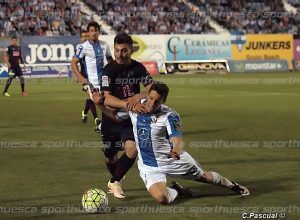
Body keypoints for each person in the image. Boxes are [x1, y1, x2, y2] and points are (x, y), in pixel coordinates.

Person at [93, 83, 250, 204]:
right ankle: (177, 191)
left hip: (173, 160)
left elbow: (177, 139)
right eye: (151, 98)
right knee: (162, 199)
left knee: (204, 177)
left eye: (157, 101)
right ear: (147, 95)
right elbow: (115, 115)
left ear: (164, 101)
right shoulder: (136, 106)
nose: (152, 103)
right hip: (150, 166)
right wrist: (99, 104)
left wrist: (176, 150)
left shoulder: (170, 116)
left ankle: (232, 185)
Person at [98, 33, 153, 199]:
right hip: (111, 118)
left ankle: (115, 181)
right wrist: (127, 103)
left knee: (132, 147)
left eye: (124, 51)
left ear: (131, 50)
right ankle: (116, 176)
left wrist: (138, 97)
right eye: (116, 50)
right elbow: (106, 98)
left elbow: (153, 89)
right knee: (110, 156)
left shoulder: (138, 68)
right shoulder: (109, 70)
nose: (119, 55)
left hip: (130, 118)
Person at [71, 22, 112, 128]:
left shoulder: (104, 45)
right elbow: (73, 63)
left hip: (104, 80)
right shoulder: (83, 47)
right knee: (98, 101)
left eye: (96, 30)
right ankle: (101, 123)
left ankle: (104, 125)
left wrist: (114, 72)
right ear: (89, 33)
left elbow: (110, 60)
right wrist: (81, 78)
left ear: (99, 32)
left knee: (108, 103)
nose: (94, 33)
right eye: (91, 31)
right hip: (91, 82)